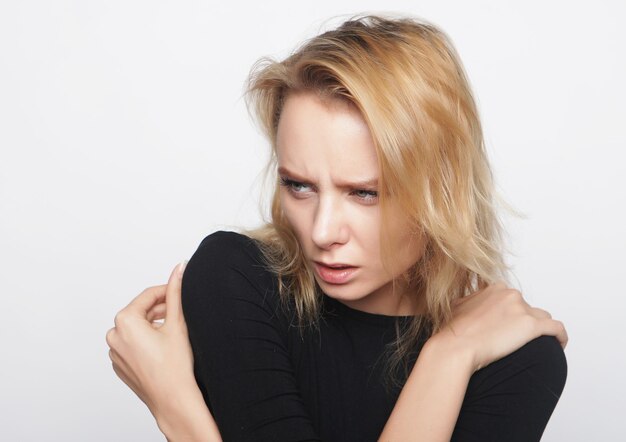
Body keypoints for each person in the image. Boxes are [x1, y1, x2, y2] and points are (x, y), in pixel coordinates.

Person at [106, 14, 568, 441]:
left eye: (365, 192)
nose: (323, 232)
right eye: (299, 186)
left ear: (440, 192)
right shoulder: (237, 280)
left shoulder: (517, 360)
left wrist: (177, 410)